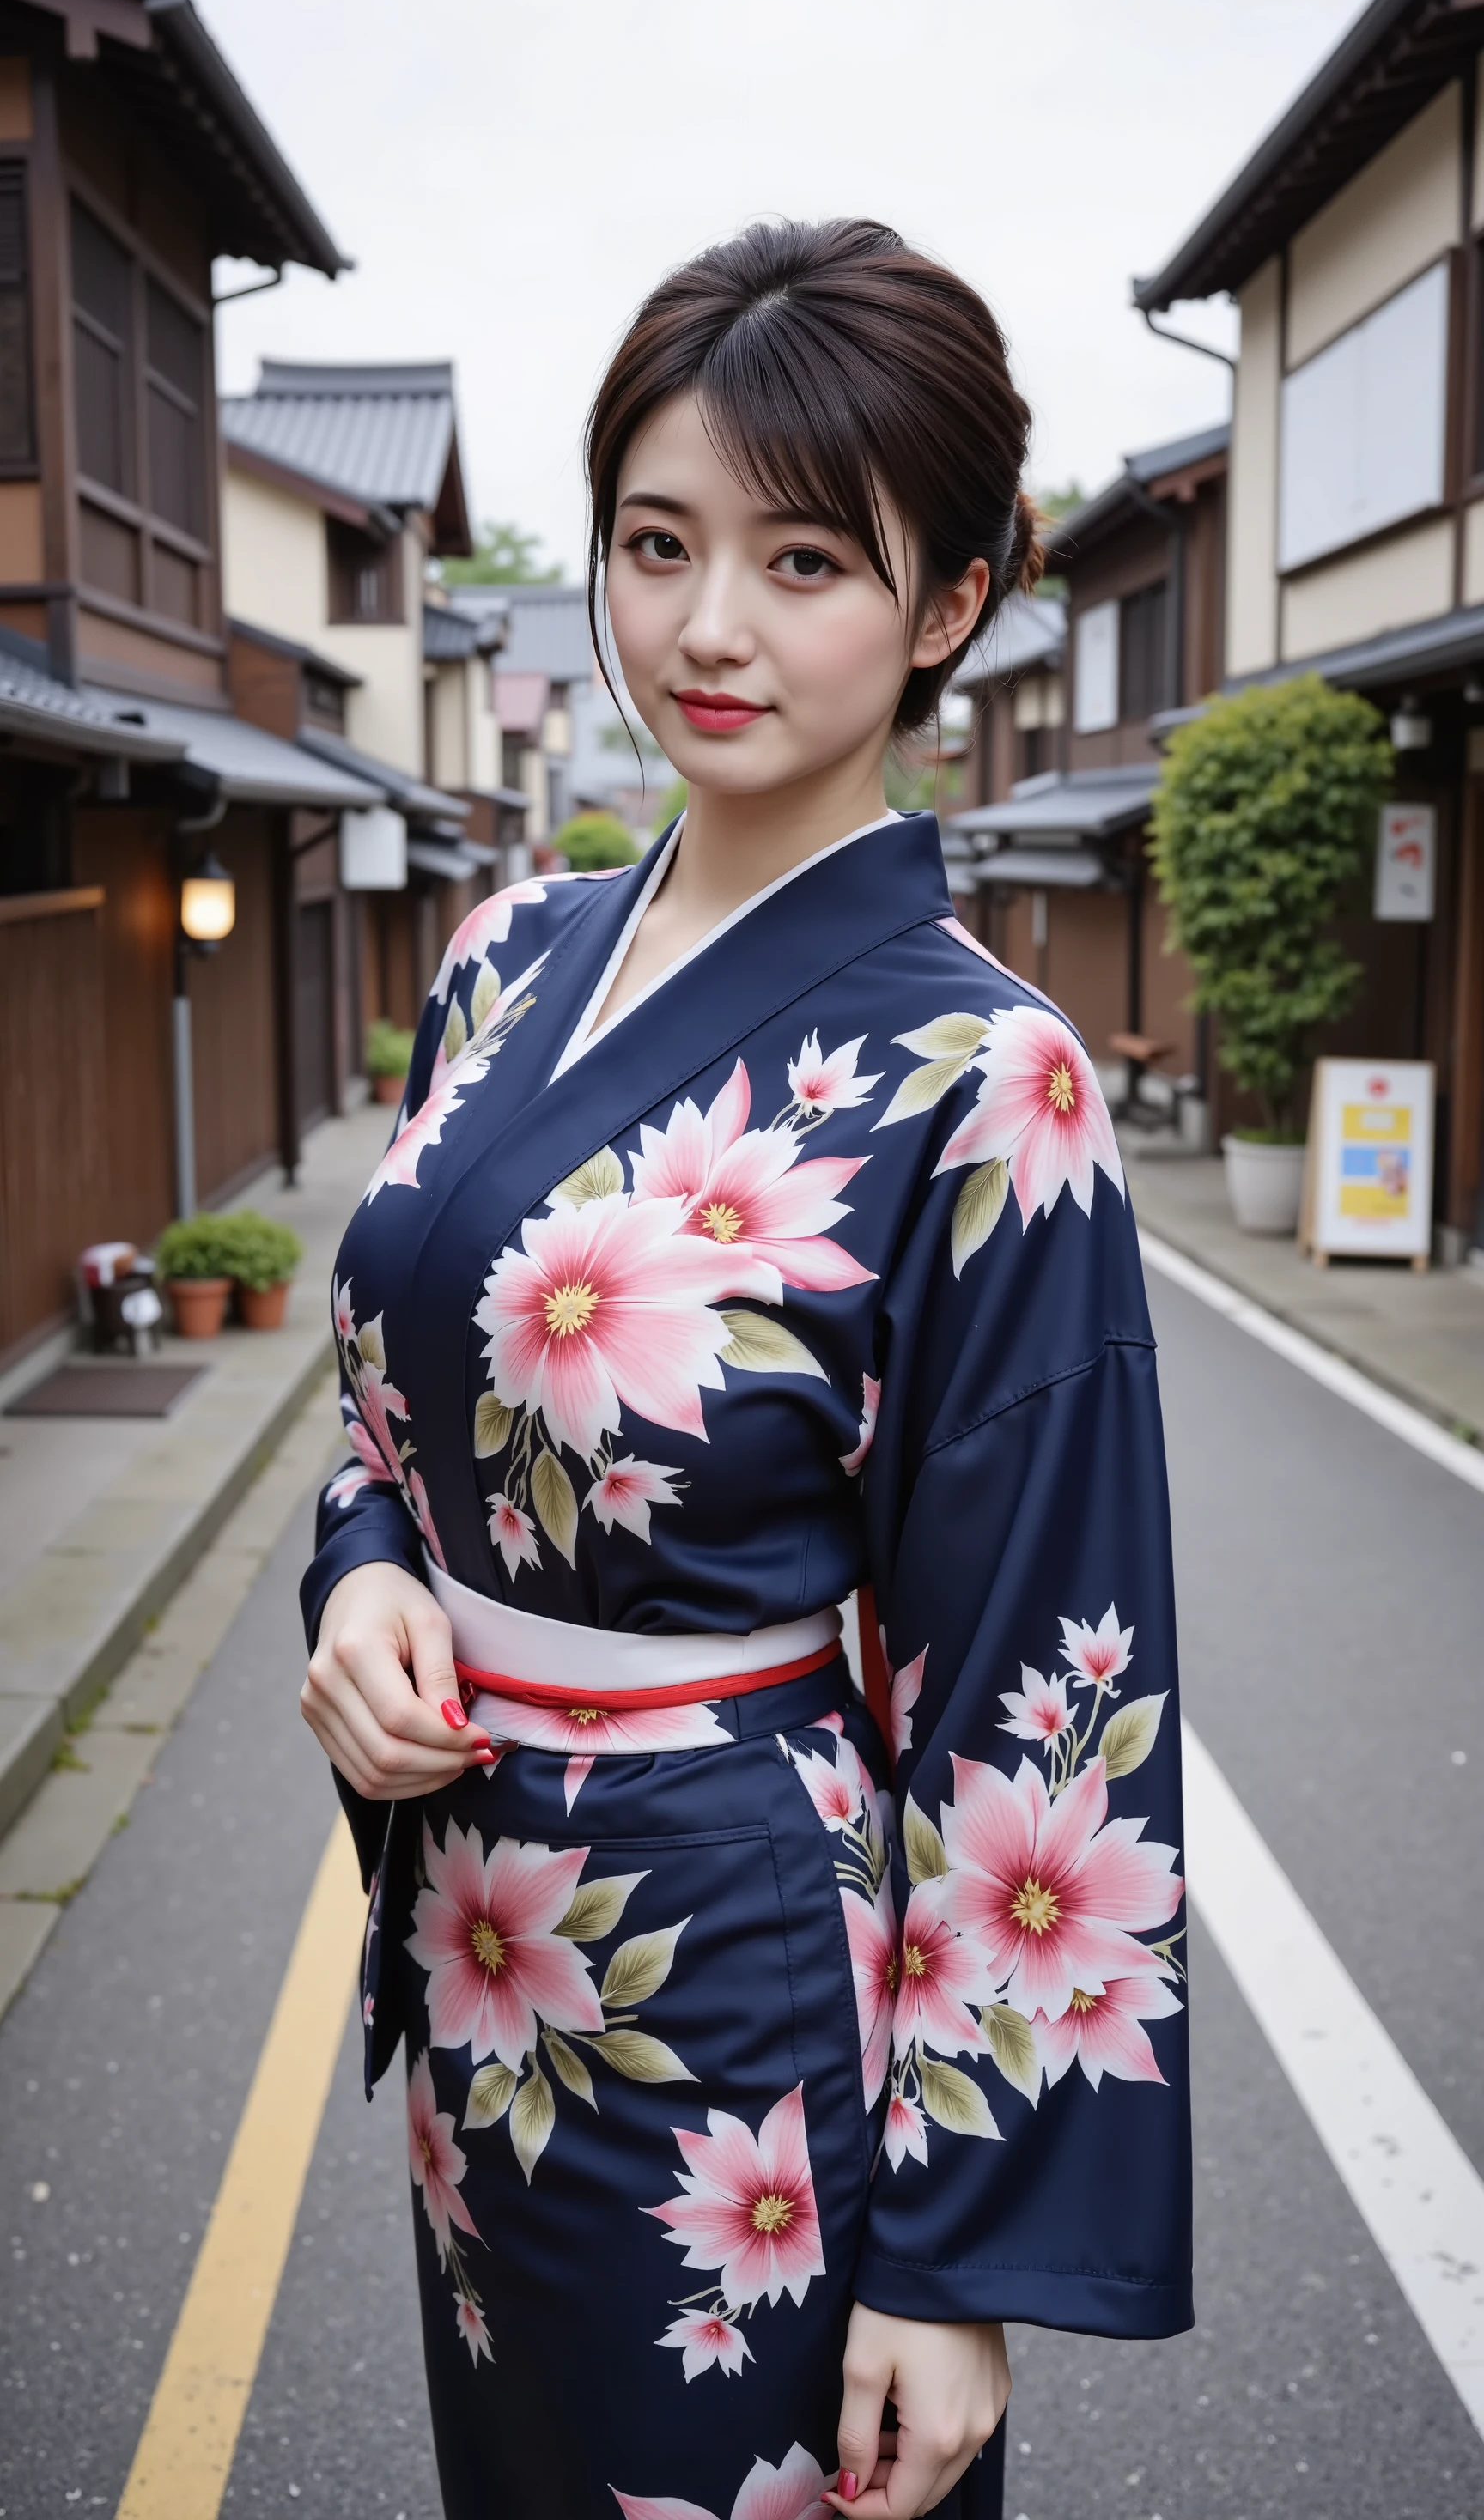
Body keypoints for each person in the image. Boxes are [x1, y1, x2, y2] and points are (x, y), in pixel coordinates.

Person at [300, 217, 1191, 2520]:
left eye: (807, 560)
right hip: (483, 1952)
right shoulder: (501, 959)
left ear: (957, 600)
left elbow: (1047, 1685)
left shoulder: (992, 1079)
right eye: (658, 544)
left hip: (744, 2027)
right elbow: (398, 1398)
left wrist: (958, 2259)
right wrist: (364, 1572)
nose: (707, 629)